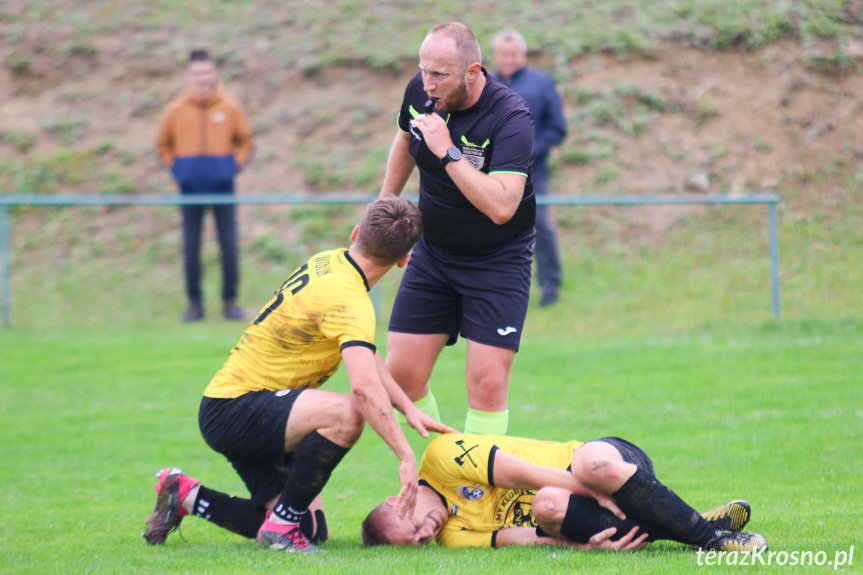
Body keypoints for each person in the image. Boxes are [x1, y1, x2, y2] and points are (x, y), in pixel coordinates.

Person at [142, 197, 456, 554]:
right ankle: (281, 528)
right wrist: (405, 456)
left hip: (244, 409)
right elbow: (364, 389)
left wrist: (407, 407)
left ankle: (186, 496)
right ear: (404, 260)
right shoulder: (350, 301)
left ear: (356, 233)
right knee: (349, 412)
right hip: (237, 408)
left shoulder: (329, 260)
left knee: (312, 529)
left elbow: (365, 352)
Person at [379, 22, 536, 436]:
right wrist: (383, 209)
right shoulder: (421, 90)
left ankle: (475, 493)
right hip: (434, 253)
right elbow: (404, 141)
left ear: (473, 71)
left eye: (439, 75)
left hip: (497, 260)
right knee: (400, 378)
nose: (427, 84)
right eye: (423, 70)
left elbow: (503, 207)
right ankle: (444, 470)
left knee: (486, 385)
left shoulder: (511, 117)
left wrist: (447, 151)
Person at [362, 432, 768, 552]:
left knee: (590, 464)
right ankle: (701, 526)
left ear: (398, 501)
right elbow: (529, 537)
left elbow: (528, 474)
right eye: (415, 543)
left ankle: (708, 538)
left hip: (606, 470)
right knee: (548, 506)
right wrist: (587, 550)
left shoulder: (440, 455)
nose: (424, 535)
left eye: (412, 527)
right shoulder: (452, 538)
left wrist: (596, 493)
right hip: (579, 513)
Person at [157, 49, 254, 322]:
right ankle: (195, 305)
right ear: (189, 75)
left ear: (215, 74)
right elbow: (163, 144)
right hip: (189, 190)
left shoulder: (230, 108)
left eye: (207, 72)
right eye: (197, 72)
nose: (203, 77)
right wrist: (178, 170)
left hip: (223, 188)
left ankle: (230, 302)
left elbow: (246, 141)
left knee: (228, 246)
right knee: (191, 248)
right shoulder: (175, 110)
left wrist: (232, 167)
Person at [492, 30, 567, 307]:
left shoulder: (542, 83)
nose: (508, 59)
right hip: (493, 174)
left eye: (513, 54)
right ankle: (498, 288)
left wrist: (530, 151)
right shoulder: (486, 84)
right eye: (503, 54)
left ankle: (550, 287)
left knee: (539, 227)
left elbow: (558, 128)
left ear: (523, 54)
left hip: (534, 173)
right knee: (494, 227)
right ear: (496, 56)